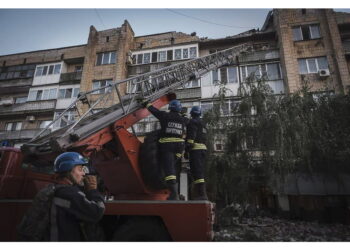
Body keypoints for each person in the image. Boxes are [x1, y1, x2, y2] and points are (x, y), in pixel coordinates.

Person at [51, 152, 105, 241]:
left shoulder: (54, 189)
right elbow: (96, 212)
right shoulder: (69, 193)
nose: (83, 174)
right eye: (80, 169)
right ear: (68, 170)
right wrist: (93, 190)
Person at [143, 99, 189, 200]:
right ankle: (174, 190)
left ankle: (174, 194)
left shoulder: (165, 116)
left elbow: (154, 110)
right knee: (173, 165)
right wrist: (184, 114)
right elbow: (187, 120)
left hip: (167, 146)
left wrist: (146, 103)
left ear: (170, 107)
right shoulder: (183, 120)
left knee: (169, 170)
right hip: (179, 147)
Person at [185, 106, 208, 200]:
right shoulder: (203, 124)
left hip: (196, 149)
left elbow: (191, 137)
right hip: (203, 149)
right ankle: (200, 194)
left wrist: (186, 150)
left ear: (192, 114)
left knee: (196, 171)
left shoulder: (192, 122)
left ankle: (202, 195)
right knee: (199, 171)